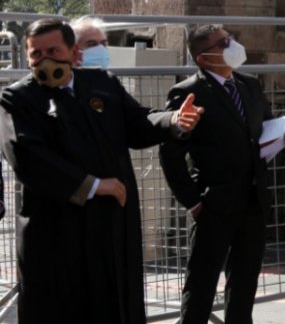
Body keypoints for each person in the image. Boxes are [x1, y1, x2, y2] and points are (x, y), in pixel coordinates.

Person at [0, 18, 203, 323]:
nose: (45, 60)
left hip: (110, 224)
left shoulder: (101, 85)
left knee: (115, 302)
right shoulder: (18, 98)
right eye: (36, 54)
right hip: (57, 229)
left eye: (53, 50)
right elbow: (28, 157)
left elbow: (137, 123)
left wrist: (172, 121)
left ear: (73, 53)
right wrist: (93, 185)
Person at [159, 24, 285, 324]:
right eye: (222, 43)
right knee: (201, 288)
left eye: (231, 39)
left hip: (252, 202)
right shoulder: (189, 92)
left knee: (243, 287)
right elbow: (170, 155)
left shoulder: (250, 85)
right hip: (213, 206)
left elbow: (267, 133)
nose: (231, 45)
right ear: (203, 58)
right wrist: (194, 202)